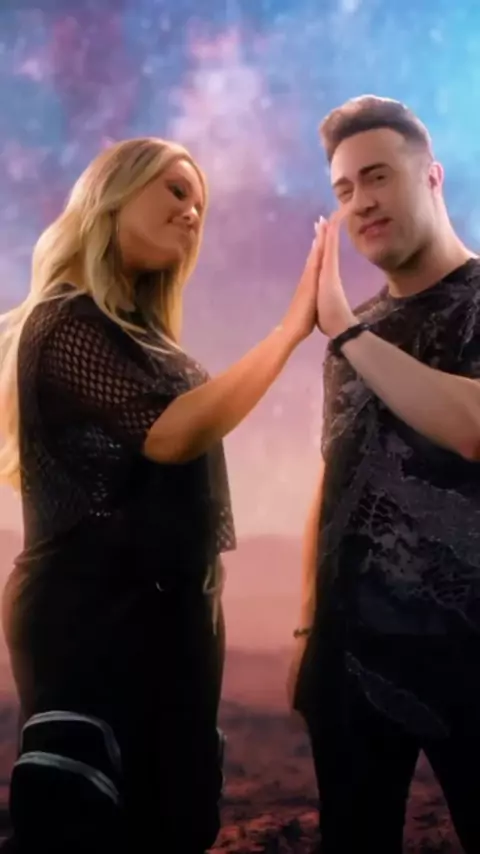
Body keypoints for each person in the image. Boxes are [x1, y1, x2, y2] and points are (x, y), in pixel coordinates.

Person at [0, 136, 325, 854]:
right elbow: (170, 435)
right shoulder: (64, 320)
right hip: (89, 617)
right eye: (176, 190)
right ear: (112, 195)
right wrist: (290, 330)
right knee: (84, 812)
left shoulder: (152, 342)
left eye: (200, 203)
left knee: (178, 817)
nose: (192, 212)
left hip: (179, 618)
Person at [288, 96, 480, 854]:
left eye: (377, 176)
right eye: (343, 189)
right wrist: (309, 625)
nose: (360, 202)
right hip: (352, 661)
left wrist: (344, 330)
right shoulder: (354, 332)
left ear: (432, 176)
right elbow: (336, 475)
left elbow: (473, 429)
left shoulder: (355, 330)